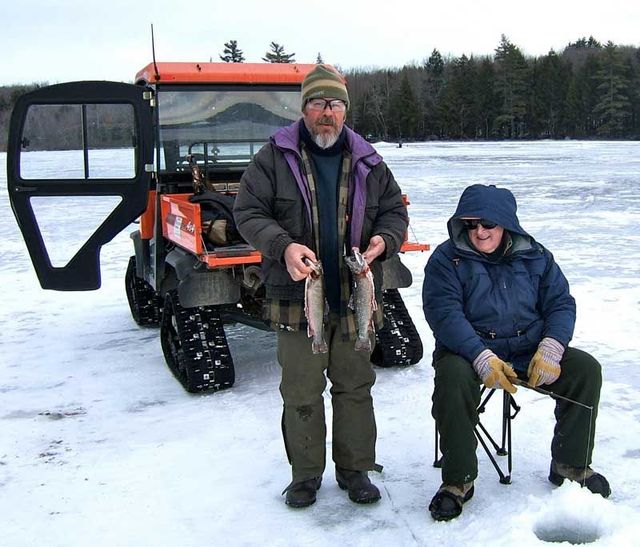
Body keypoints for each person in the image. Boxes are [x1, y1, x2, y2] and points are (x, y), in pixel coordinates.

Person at [233, 64, 409, 508]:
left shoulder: (369, 159)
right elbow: (248, 213)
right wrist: (283, 247)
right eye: (318, 103)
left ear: (345, 110)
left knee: (355, 388)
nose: (326, 113)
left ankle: (356, 470)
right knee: (301, 391)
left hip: (356, 298)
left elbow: (395, 214)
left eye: (334, 104)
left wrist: (383, 242)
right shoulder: (274, 157)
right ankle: (306, 475)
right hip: (298, 298)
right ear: (304, 107)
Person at [422, 184, 610, 522]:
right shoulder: (445, 260)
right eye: (471, 224)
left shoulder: (535, 255)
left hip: (528, 349)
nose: (479, 232)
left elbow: (560, 303)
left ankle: (570, 464)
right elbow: (444, 314)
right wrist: (481, 356)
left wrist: (551, 348)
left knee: (585, 369)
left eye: (488, 224)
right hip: (468, 351)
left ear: (506, 224)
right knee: (451, 377)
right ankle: (458, 481)